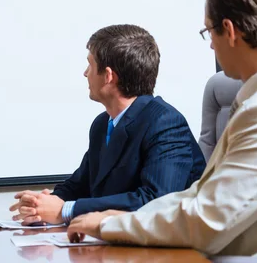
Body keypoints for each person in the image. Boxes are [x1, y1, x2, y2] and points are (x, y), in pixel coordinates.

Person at [67, 0, 257, 259]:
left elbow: (207, 220)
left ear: (229, 31)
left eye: (208, 31)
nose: (210, 46)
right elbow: (201, 199)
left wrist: (111, 224)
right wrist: (119, 218)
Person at [10, 24, 206, 225]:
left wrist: (65, 210)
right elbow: (80, 185)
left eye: (90, 65)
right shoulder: (102, 124)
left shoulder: (165, 123)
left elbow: (156, 201)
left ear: (108, 76)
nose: (85, 73)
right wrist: (44, 202)